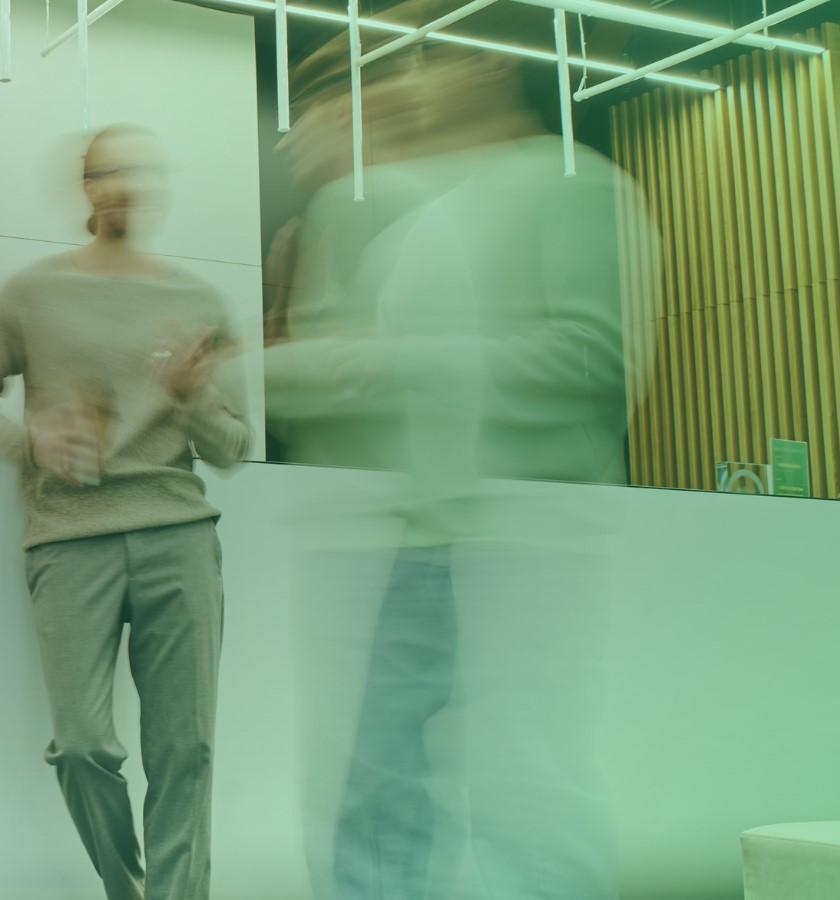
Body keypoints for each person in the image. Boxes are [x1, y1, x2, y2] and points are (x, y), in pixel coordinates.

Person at [267, 29, 651, 900]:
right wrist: (242, 374)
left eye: (427, 58)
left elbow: (595, 363)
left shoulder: (576, 184)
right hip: (424, 542)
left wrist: (385, 359)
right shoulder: (421, 218)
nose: (409, 83)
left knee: (522, 799)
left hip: (526, 541)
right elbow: (370, 387)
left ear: (493, 58)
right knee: (380, 795)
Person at [0, 125, 250, 900]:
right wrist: (31, 442)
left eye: (137, 171)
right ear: (85, 185)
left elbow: (233, 447)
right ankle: (128, 890)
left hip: (179, 536)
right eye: (106, 171)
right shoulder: (31, 293)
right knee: (82, 746)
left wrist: (193, 397)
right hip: (69, 539)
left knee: (186, 751)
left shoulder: (201, 302)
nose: (121, 184)